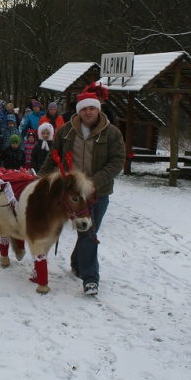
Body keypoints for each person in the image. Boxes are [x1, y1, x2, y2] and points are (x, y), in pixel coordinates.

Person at [37, 82, 126, 296]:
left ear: (98, 109)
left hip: (99, 192)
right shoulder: (66, 131)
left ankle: (78, 263)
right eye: (84, 108)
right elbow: (54, 157)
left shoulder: (112, 133)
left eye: (92, 108)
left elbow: (117, 161)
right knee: (88, 233)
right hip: (73, 195)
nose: (88, 112)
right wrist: (40, 179)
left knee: (88, 232)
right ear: (79, 111)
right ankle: (90, 279)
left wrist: (94, 182)